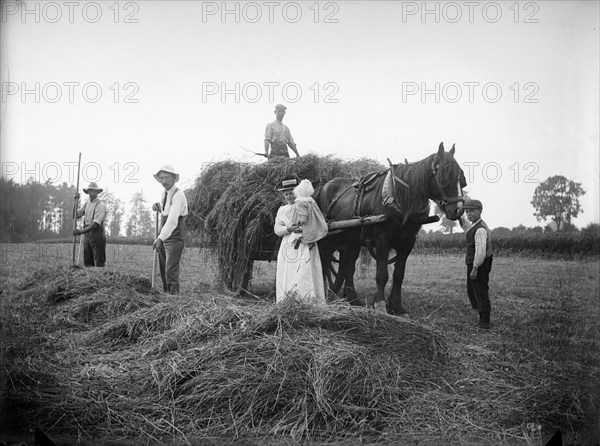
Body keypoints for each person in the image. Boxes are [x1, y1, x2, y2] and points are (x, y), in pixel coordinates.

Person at [274, 177, 326, 305]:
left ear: (297, 192)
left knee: (305, 271)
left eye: (291, 193)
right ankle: (289, 300)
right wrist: (288, 228)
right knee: (289, 271)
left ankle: (307, 300)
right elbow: (277, 229)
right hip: (288, 243)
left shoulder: (305, 205)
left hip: (305, 241)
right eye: (286, 194)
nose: (289, 196)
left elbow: (314, 222)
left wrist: (305, 229)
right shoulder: (282, 210)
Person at [152, 164, 188, 294]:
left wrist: (160, 238)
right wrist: (159, 207)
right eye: (161, 178)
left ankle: (174, 300)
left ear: (174, 178)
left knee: (170, 271)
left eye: (166, 178)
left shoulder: (178, 195)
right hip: (164, 236)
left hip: (174, 238)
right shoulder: (164, 194)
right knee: (163, 270)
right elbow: (166, 213)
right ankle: (166, 296)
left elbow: (172, 221)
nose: (163, 181)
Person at [460, 199, 494, 329]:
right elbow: (466, 227)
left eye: (472, 211)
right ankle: (482, 318)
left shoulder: (480, 230)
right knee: (473, 290)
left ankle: (485, 321)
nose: (469, 214)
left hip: (479, 264)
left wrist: (475, 268)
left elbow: (480, 252)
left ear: (480, 211)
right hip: (475, 264)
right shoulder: (475, 226)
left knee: (480, 291)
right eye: (467, 212)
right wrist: (459, 216)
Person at [73, 182, 107, 267]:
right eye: (90, 191)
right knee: (87, 261)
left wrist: (80, 232)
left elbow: (95, 224)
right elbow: (75, 215)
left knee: (99, 262)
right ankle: (89, 278)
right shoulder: (87, 204)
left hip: (97, 234)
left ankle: (100, 278)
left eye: (94, 191)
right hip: (87, 235)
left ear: (97, 192)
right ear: (88, 192)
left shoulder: (101, 205)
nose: (92, 193)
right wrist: (75, 202)